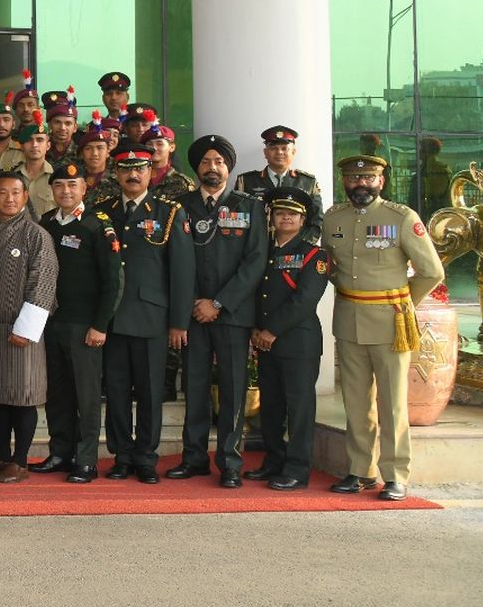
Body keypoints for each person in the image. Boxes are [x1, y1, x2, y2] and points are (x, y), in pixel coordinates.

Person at [324, 153, 444, 501]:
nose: (360, 184)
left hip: (391, 322)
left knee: (392, 403)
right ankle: (360, 471)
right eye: (353, 179)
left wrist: (403, 302)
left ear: (381, 181)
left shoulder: (401, 218)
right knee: (356, 403)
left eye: (368, 178)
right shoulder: (335, 218)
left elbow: (432, 271)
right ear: (344, 182)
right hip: (349, 320)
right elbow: (328, 264)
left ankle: (395, 475)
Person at [171, 134, 268, 488]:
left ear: (228, 167)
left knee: (232, 388)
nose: (213, 168)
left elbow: (255, 262)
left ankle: (229, 461)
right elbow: (177, 264)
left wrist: (219, 302)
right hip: (193, 315)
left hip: (232, 314)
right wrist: (193, 305)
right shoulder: (180, 206)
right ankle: (194, 457)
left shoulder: (249, 207)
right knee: (194, 388)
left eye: (219, 162)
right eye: (206, 162)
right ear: (197, 168)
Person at [102, 142, 193, 484]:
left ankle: (146, 457)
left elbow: (182, 272)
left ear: (150, 171)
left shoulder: (168, 212)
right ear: (117, 173)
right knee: (117, 390)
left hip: (152, 319)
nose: (133, 174)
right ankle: (122, 455)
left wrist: (178, 322)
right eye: (126, 169)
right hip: (111, 319)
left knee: (151, 392)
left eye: (139, 168)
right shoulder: (104, 210)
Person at [33, 161, 123, 483]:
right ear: (52, 190)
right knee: (57, 393)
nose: (66, 191)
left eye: (73, 186)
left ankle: (86, 459)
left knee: (86, 396)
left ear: (84, 189)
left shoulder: (98, 225)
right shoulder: (46, 224)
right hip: (52, 323)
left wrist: (101, 325)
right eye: (59, 186)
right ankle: (61, 452)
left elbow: (114, 280)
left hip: (85, 326)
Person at [246, 187, 330, 492]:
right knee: (271, 406)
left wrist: (271, 331)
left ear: (303, 219)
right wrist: (255, 329)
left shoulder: (314, 254)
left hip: (297, 344)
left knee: (299, 408)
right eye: (280, 212)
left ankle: (296, 468)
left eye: (292, 214)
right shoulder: (263, 251)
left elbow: (304, 300)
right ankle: (274, 460)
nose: (285, 218)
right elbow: (257, 295)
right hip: (265, 342)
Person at [0, 172, 59, 484]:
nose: (9, 198)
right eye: (2, 192)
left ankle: (20, 460)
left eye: (15, 193)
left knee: (23, 396)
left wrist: (26, 327)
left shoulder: (36, 235)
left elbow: (43, 282)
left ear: (25, 196)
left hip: (23, 328)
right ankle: (1, 456)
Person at [235, 125, 325, 240]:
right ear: (265, 152)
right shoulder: (246, 182)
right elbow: (239, 222)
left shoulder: (308, 182)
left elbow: (316, 222)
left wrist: (300, 247)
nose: (279, 152)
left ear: (293, 152)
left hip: (296, 253)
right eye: (273, 148)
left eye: (284, 148)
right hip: (256, 251)